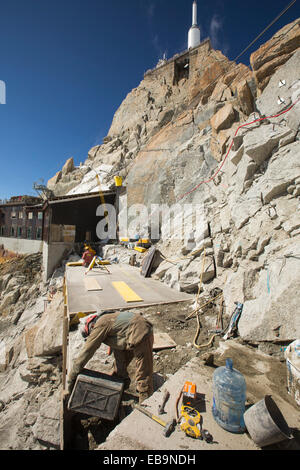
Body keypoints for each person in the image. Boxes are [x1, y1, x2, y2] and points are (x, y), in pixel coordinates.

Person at [67, 310, 154, 404]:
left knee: (143, 371)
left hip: (141, 331)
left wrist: (71, 377)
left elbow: (87, 351)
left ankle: (146, 401)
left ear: (91, 326)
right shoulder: (110, 321)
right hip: (131, 332)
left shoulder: (100, 324)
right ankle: (120, 387)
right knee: (119, 365)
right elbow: (118, 344)